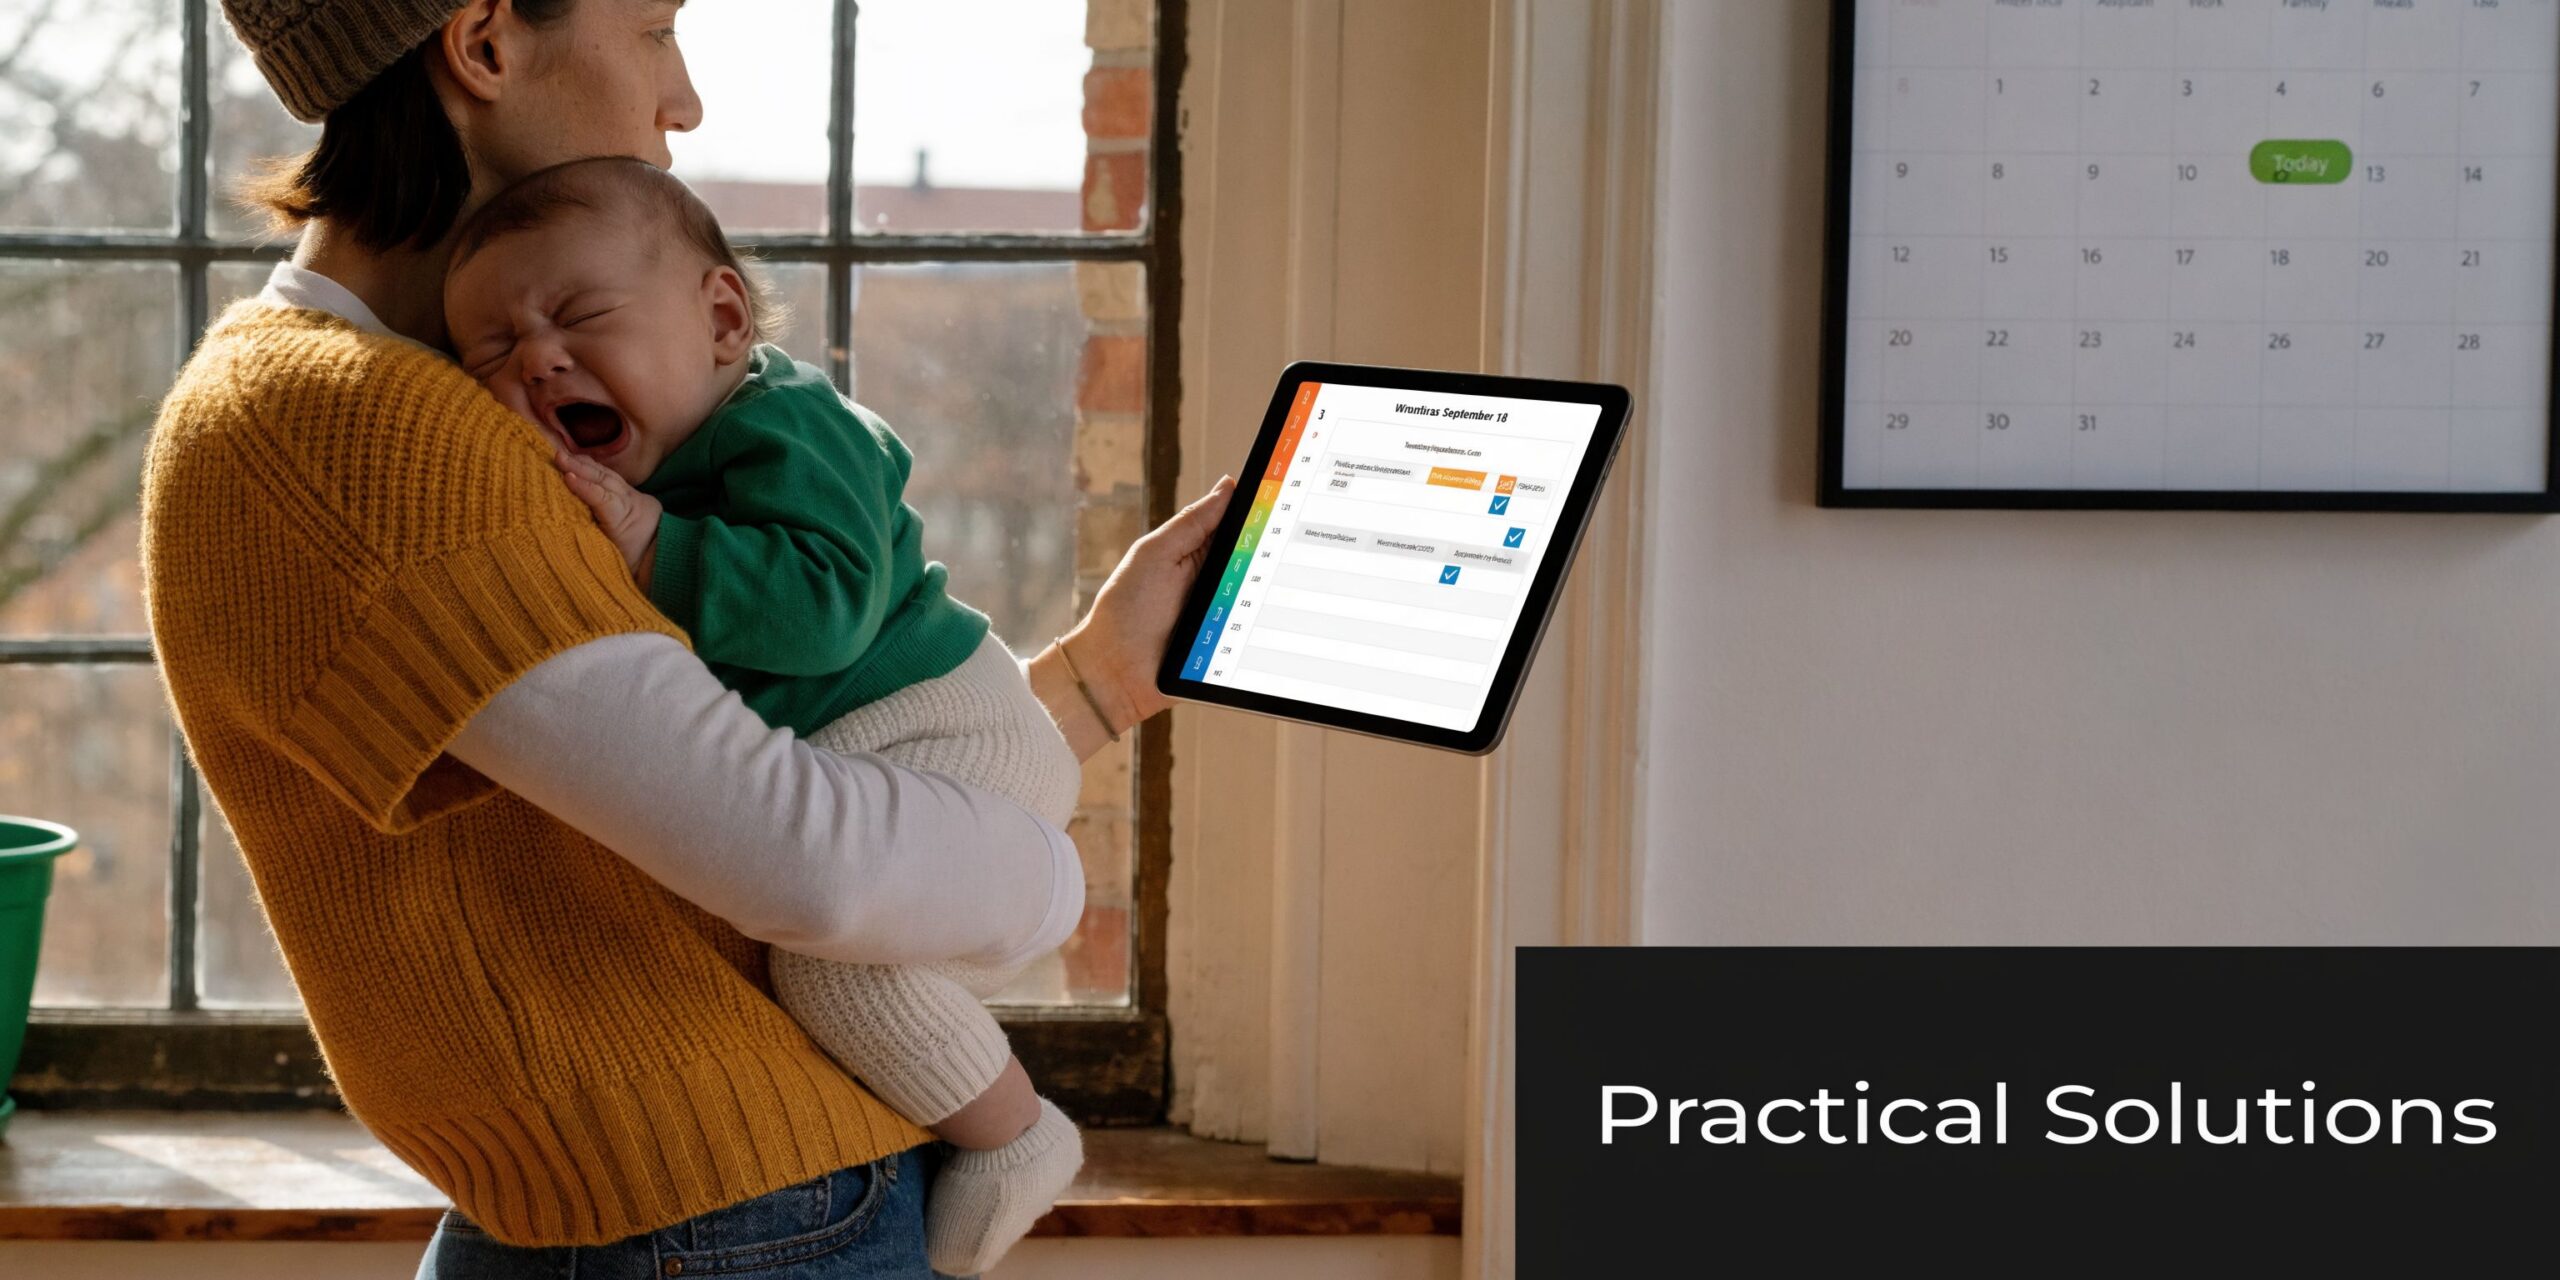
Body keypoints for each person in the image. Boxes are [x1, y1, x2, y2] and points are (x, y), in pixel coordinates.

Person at [142, 2, 1235, 1276]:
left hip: (691, 1213)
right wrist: (1047, 878)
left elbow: (700, 789)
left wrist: (1095, 686)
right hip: (719, 1224)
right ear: (486, 41)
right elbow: (804, 864)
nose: (686, 101)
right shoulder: (359, 427)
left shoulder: (415, 395)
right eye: (656, 26)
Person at [442, 154, 1088, 1276]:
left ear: (724, 318)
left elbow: (826, 614)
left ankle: (1013, 1132)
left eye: (580, 316)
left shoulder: (788, 427)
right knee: (855, 960)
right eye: (492, 354)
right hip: (886, 744)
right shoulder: (662, 453)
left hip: (946, 724)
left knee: (833, 964)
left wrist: (654, 544)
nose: (538, 360)